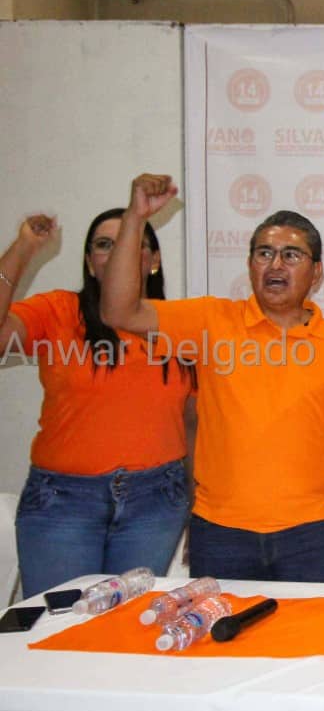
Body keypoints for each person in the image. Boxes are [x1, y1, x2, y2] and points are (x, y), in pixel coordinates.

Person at [100, 174, 324, 583]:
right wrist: (135, 218)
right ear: (250, 265)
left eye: (291, 255)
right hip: (221, 532)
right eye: (264, 253)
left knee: (306, 628)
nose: (276, 264)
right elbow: (118, 311)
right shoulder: (211, 322)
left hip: (312, 534)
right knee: (218, 626)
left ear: (316, 272)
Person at [0, 200, 193, 598]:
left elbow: (192, 423)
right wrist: (23, 248)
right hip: (63, 503)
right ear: (90, 263)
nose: (119, 252)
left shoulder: (180, 325)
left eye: (132, 242)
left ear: (153, 260)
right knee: (60, 622)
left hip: (155, 503)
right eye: (105, 245)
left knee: (128, 625)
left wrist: (198, 502)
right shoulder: (57, 311)